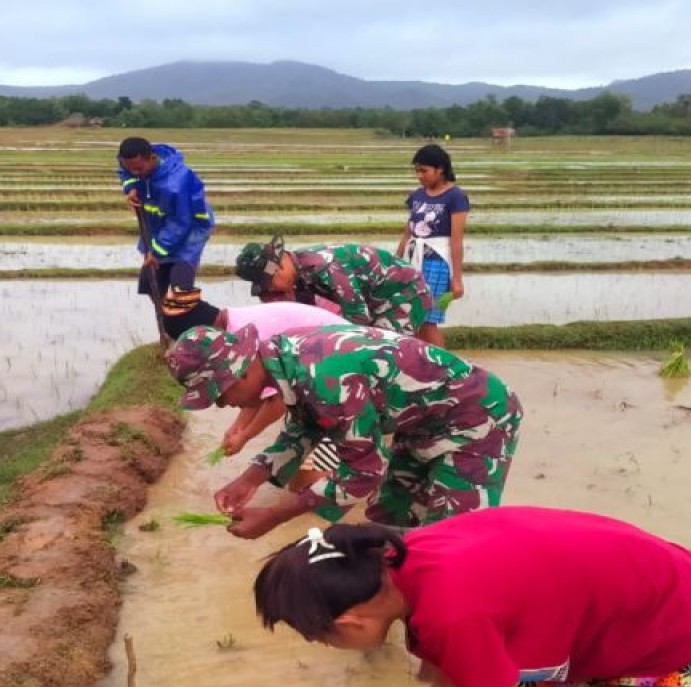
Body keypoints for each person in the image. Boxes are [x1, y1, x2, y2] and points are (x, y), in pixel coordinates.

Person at [254, 509, 691, 687]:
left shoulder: (451, 616)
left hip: (673, 628)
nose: (321, 645)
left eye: (318, 638)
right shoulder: (405, 559)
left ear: (350, 622)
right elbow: (454, 682)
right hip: (624, 604)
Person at [164, 324, 522, 539]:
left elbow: (363, 472)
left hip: (479, 420)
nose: (223, 405)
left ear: (239, 371)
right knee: (388, 521)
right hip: (420, 427)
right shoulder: (284, 358)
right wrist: (249, 479)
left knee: (453, 540)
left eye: (219, 394)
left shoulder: (325, 378)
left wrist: (276, 515)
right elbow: (304, 425)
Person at [160, 287, 349, 457]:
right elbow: (255, 391)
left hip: (339, 365)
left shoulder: (250, 335)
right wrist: (238, 427)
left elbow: (278, 400)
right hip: (324, 368)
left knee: (313, 460)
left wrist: (245, 435)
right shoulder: (233, 337)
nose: (222, 403)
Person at [235, 237, 432, 337]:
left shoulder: (326, 268)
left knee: (381, 348)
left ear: (278, 269)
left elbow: (358, 318)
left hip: (405, 295)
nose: (274, 291)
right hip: (376, 302)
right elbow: (307, 317)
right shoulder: (299, 274)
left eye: (270, 285)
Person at [116, 137, 214, 308]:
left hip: (190, 231)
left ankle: (190, 328)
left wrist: (156, 252)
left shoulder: (175, 183)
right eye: (131, 169)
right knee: (151, 284)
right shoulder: (134, 165)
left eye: (139, 169)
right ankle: (167, 328)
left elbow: (181, 222)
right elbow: (125, 171)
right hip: (158, 227)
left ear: (152, 158)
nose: (136, 173)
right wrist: (132, 187)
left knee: (181, 289)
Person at [397, 144, 468, 348]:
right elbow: (408, 232)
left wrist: (457, 279)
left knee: (428, 321)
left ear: (441, 169)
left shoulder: (455, 197)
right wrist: (394, 262)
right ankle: (424, 364)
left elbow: (456, 240)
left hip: (436, 264)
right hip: (413, 262)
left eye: (424, 170)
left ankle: (445, 369)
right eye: (417, 171)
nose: (420, 175)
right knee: (413, 319)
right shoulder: (417, 196)